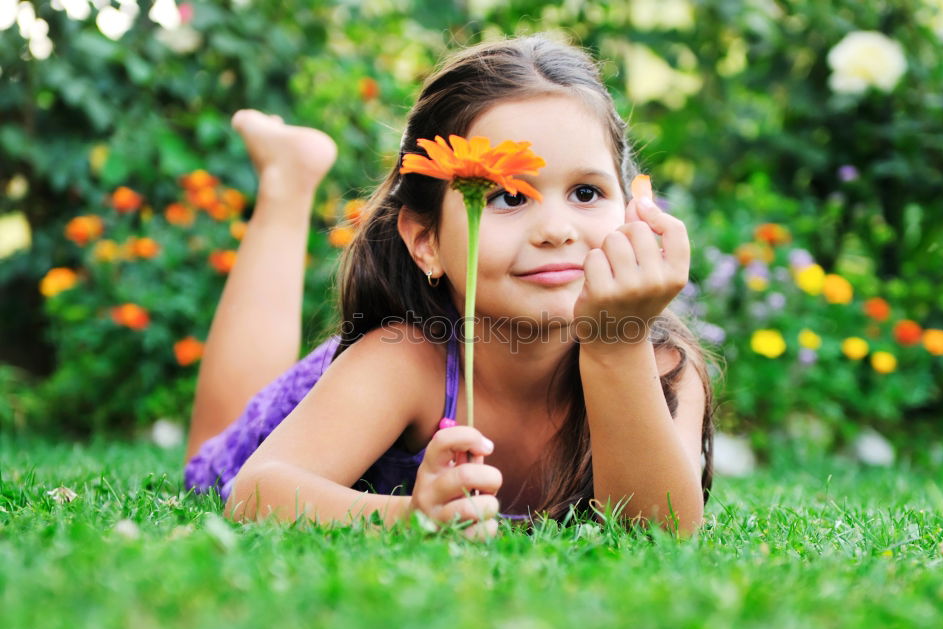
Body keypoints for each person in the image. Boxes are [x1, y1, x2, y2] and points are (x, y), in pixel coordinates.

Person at [184, 35, 715, 539]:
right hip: (305, 415)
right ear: (426, 241)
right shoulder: (406, 359)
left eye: (585, 191)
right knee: (220, 433)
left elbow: (658, 533)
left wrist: (615, 344)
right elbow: (254, 492)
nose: (558, 230)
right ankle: (287, 178)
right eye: (508, 197)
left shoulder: (663, 366)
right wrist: (410, 516)